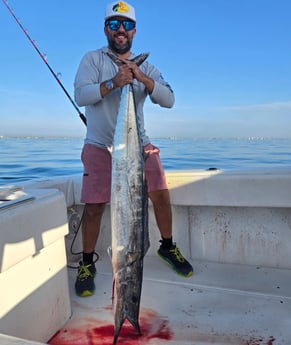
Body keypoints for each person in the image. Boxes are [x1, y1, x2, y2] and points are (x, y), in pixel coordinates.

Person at [74, 1, 193, 297]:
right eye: (114, 24)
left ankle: (167, 247)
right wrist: (115, 82)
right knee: (94, 207)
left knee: (161, 195)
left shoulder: (146, 66)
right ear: (106, 29)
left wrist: (140, 78)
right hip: (100, 145)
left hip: (138, 144)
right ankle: (87, 263)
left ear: (135, 30)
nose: (121, 30)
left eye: (126, 25)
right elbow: (81, 94)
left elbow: (169, 99)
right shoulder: (92, 59)